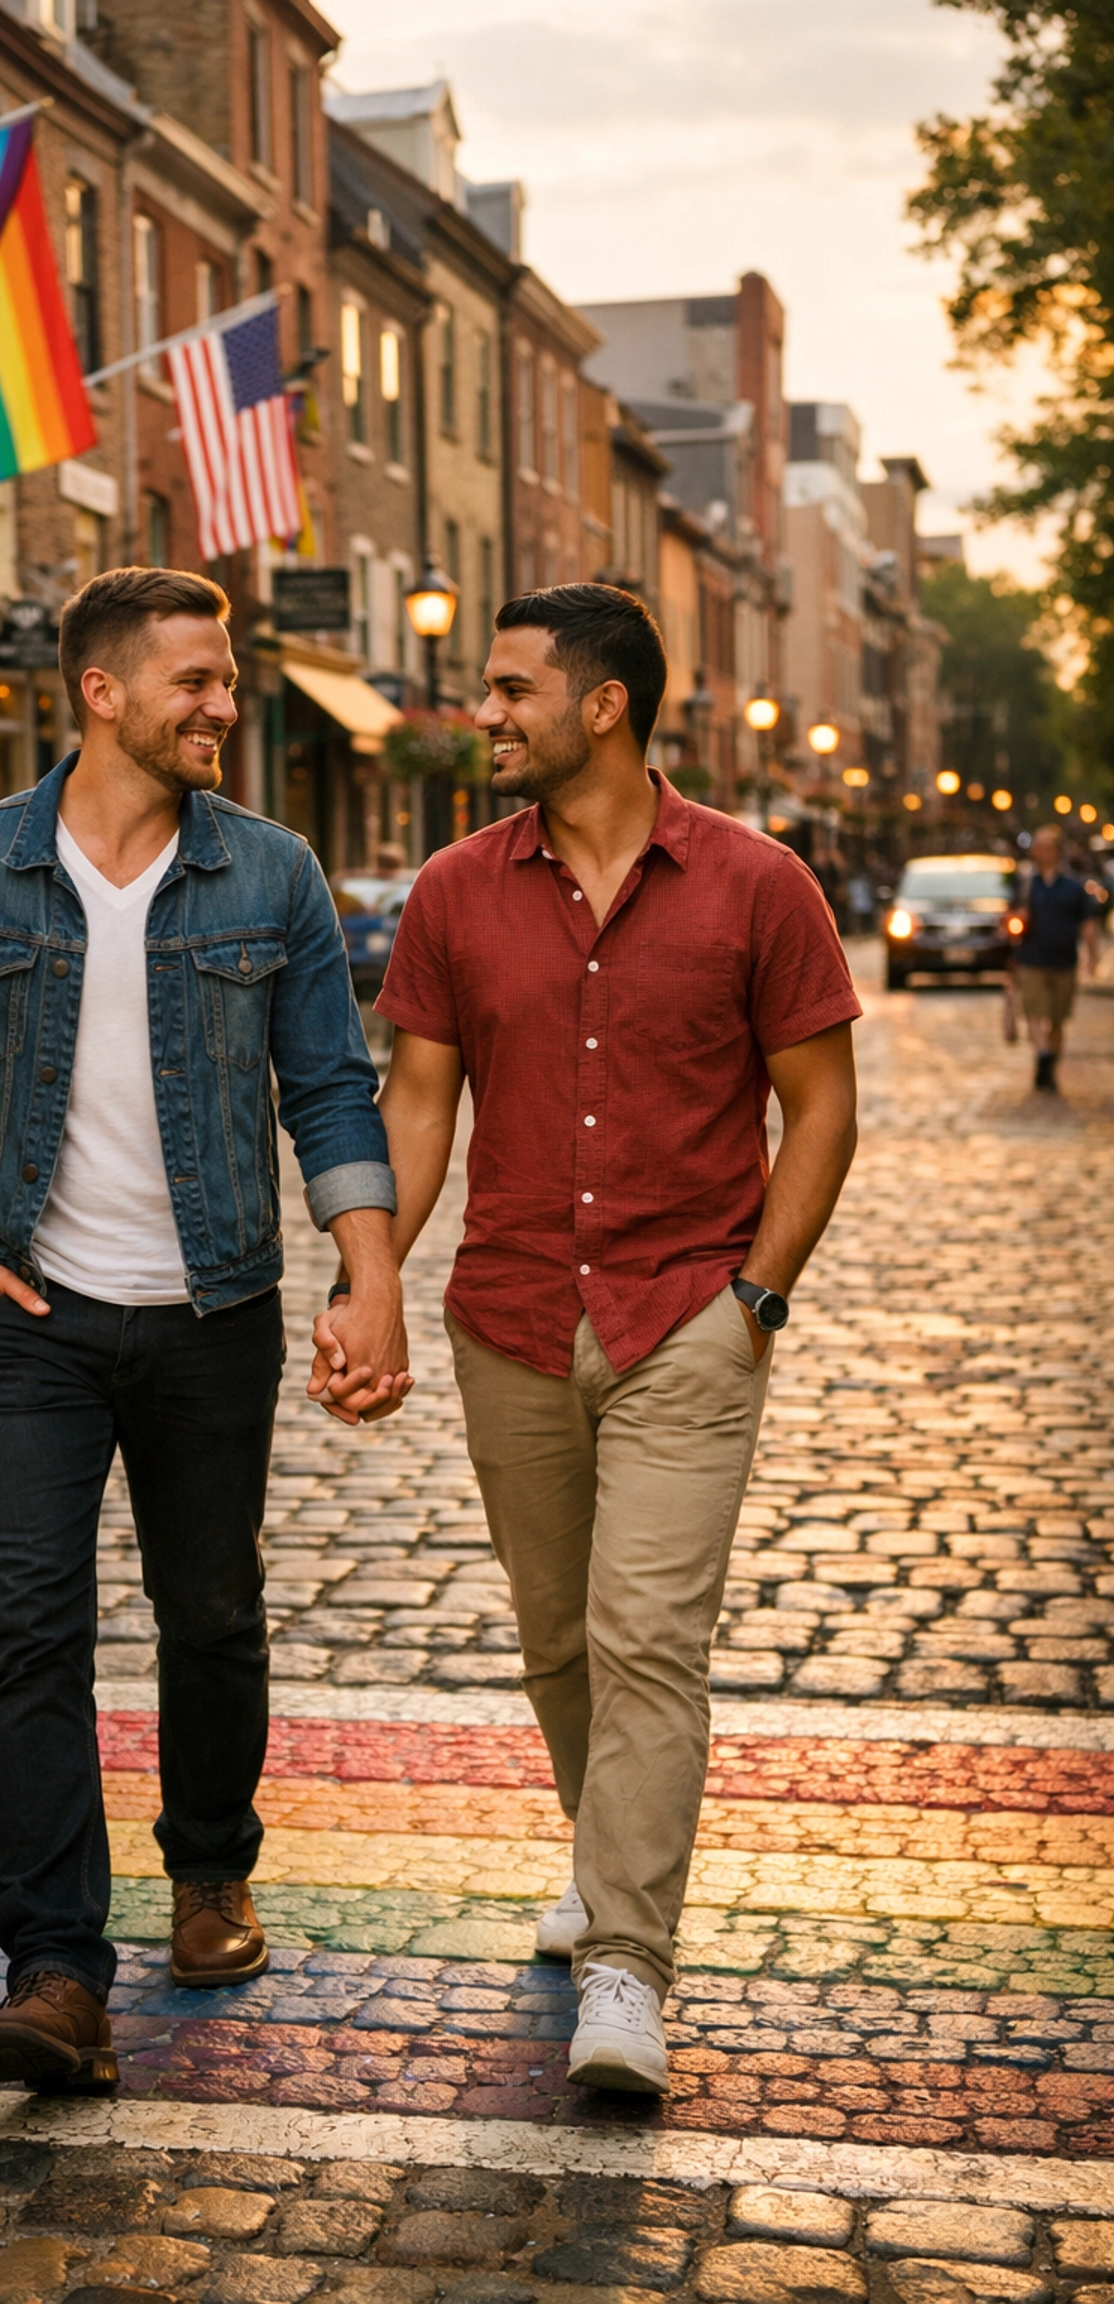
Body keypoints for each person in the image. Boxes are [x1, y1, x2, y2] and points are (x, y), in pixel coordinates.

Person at [314, 583, 859, 2094]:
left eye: (508, 690)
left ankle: (627, 1965)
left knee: (647, 1641)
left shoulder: (761, 885)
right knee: (560, 1639)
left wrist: (757, 1296)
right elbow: (419, 1100)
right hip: (510, 1318)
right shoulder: (452, 891)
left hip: (688, 1313)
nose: (480, 712)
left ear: (602, 704)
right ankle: (598, 1855)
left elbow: (821, 1109)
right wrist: (376, 1277)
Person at [0, 566, 408, 2094]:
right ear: (102, 693)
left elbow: (327, 1084)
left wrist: (367, 1275)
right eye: (195, 679)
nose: (222, 703)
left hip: (214, 1311)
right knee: (29, 1629)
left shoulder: (273, 872)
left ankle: (209, 1873)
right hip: (23, 1318)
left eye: (227, 677)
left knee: (211, 1614)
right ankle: (53, 1970)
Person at [1014, 825, 1102, 1092]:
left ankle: (1049, 1069)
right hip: (1032, 959)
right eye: (1037, 846)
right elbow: (1012, 919)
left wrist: (1092, 956)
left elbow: (1088, 923)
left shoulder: (1073, 887)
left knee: (1057, 1019)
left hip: (1064, 961)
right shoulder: (1027, 884)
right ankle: (1042, 1053)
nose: (1040, 851)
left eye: (1046, 846)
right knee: (1032, 1012)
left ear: (1057, 851)